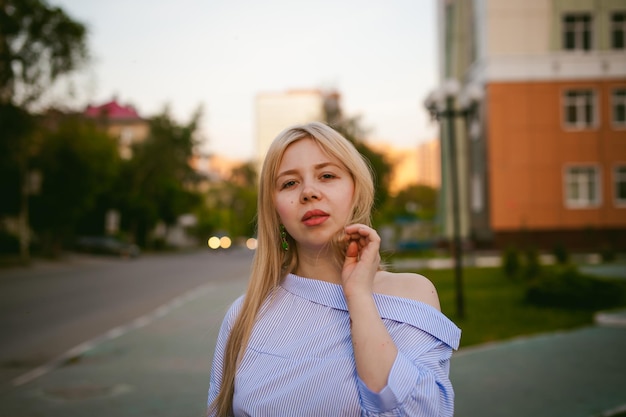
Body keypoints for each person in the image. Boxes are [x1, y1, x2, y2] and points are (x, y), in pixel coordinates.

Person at [207, 122, 461, 417]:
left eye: (327, 176)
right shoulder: (244, 316)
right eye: (289, 183)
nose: (309, 192)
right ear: (275, 210)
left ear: (355, 190)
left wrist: (359, 296)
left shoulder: (410, 295)